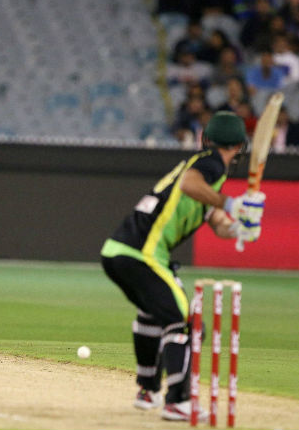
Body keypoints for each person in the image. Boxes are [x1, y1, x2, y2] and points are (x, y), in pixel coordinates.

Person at [100, 111, 265, 422]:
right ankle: (178, 401)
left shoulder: (203, 170)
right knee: (185, 322)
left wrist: (239, 228)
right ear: (238, 146)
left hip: (118, 251)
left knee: (154, 314)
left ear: (206, 136)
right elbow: (191, 185)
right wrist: (232, 203)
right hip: (143, 254)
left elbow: (216, 220)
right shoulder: (211, 163)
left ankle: (148, 391)